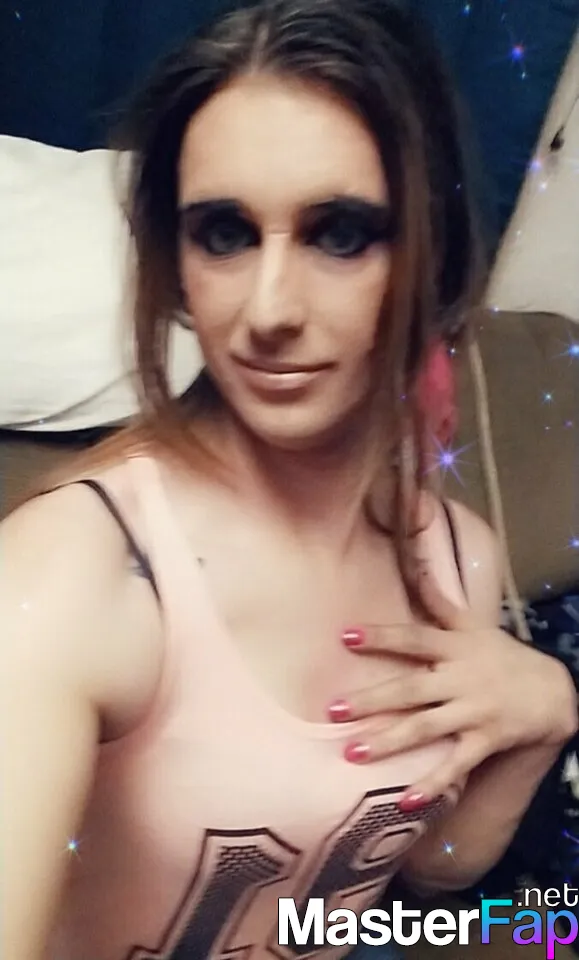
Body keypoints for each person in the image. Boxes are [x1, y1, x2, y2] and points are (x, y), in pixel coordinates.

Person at [2, 2, 577, 959]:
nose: (268, 310)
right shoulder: (70, 577)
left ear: (431, 254)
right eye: (224, 233)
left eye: (340, 233)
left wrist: (541, 717)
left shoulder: (459, 561)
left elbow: (424, 872)